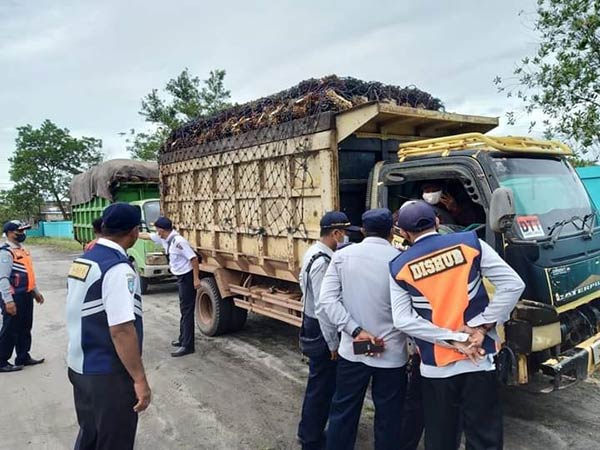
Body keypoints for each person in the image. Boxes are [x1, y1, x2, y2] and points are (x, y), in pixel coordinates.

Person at [389, 201, 525, 450]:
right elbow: (513, 285)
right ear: (438, 222)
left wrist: (451, 339)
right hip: (479, 359)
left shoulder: (399, 266)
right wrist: (479, 327)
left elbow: (402, 319)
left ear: (405, 233)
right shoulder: (471, 243)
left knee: (441, 437)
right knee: (485, 437)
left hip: (436, 366)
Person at [317, 208, 412, 450]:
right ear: (391, 232)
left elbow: (327, 301)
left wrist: (356, 331)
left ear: (362, 230)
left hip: (354, 350)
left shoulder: (343, 256)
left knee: (344, 412)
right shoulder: (401, 259)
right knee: (389, 417)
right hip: (392, 354)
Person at [66, 203, 151, 450]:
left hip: (80, 366)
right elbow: (121, 329)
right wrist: (139, 379)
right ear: (134, 232)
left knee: (91, 435)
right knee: (115, 440)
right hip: (108, 374)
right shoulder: (117, 269)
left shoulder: (83, 261)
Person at [297, 211, 360, 450]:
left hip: (312, 322)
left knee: (318, 384)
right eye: (344, 233)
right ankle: (311, 439)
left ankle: (308, 432)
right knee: (322, 387)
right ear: (335, 233)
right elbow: (325, 307)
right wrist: (332, 343)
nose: (346, 238)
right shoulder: (324, 261)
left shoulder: (313, 252)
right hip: (321, 329)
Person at [139, 216, 200, 357]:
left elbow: (194, 259)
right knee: (183, 309)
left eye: (156, 228)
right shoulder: (165, 238)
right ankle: (182, 339)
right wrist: (130, 232)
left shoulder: (178, 242)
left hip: (187, 277)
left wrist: (196, 279)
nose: (155, 230)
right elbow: (146, 236)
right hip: (180, 277)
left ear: (161, 230)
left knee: (187, 311)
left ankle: (188, 345)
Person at [0, 220, 45, 373]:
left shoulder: (23, 250)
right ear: (10, 233)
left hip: (25, 294)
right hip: (13, 296)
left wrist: (35, 292)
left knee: (25, 327)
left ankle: (23, 356)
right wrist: (8, 301)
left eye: (23, 230)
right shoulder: (5, 252)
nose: (22, 234)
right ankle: (1, 361)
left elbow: (28, 273)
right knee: (10, 329)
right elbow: (3, 278)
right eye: (19, 231)